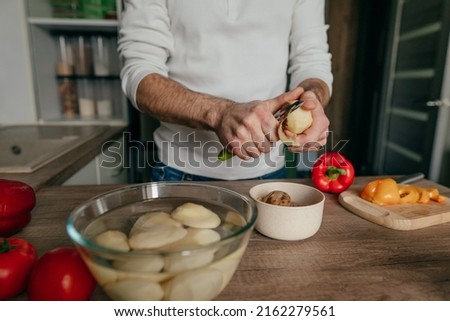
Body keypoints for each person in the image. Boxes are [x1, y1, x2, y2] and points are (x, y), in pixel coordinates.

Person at [118, 0, 333, 181]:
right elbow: (140, 75)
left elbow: (311, 59)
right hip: (178, 171)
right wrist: (218, 113)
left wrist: (312, 98)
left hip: (269, 170)